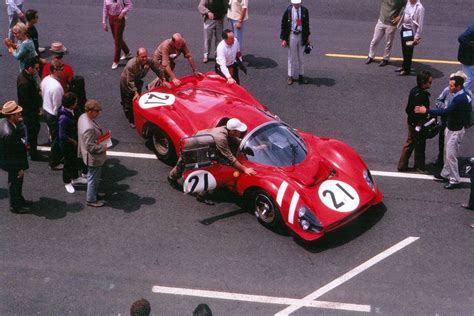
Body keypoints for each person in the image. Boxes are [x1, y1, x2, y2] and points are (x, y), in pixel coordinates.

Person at [168, 118, 256, 204]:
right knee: (201, 168)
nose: (241, 132)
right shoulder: (221, 138)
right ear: (232, 131)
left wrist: (254, 147)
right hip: (193, 147)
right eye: (239, 131)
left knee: (208, 168)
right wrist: (245, 169)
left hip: (204, 146)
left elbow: (236, 141)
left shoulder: (226, 130)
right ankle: (172, 178)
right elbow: (230, 157)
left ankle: (202, 193)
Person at [415, 75, 472, 189]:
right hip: (451, 128)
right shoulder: (461, 95)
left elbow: (445, 112)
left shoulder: (459, 99)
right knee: (447, 152)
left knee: (451, 155)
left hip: (455, 130)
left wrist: (426, 110)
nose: (449, 87)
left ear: (458, 86)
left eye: (451, 86)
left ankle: (455, 179)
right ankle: (445, 173)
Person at [120, 47, 167, 128]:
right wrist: (135, 92)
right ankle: (130, 119)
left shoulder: (149, 61)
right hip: (126, 81)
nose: (144, 59)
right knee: (128, 101)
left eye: (145, 56)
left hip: (137, 79)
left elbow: (157, 69)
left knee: (137, 98)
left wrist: (163, 79)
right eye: (142, 57)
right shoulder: (131, 65)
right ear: (137, 56)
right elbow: (130, 81)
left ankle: (134, 110)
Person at [397, 70, 432, 172]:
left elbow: (408, 109)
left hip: (411, 121)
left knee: (410, 142)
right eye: (429, 82)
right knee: (419, 144)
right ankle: (418, 166)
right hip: (417, 123)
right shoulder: (422, 96)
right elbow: (419, 112)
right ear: (423, 82)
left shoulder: (414, 91)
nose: (430, 84)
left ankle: (403, 165)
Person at [0, 101, 30, 214]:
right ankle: (15, 206)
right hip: (13, 163)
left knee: (17, 182)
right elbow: (13, 154)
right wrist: (19, 169)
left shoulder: (3, 122)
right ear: (11, 116)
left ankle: (19, 200)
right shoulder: (10, 134)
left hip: (9, 160)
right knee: (15, 183)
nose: (20, 115)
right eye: (17, 113)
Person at [77, 100, 107, 207]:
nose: (98, 113)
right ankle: (91, 199)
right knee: (93, 178)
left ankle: (93, 194)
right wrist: (102, 147)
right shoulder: (89, 128)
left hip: (87, 154)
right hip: (93, 157)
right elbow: (90, 146)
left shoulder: (83, 117)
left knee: (93, 177)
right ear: (90, 111)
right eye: (96, 111)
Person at [433, 71, 467, 166]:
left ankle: (448, 166)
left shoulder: (465, 95)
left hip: (454, 125)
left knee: (451, 147)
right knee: (442, 142)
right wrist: (444, 108)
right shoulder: (447, 90)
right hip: (445, 121)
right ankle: (441, 160)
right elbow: (438, 100)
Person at [17, 57, 46, 161]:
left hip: (29, 111)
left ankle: (32, 148)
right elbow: (27, 101)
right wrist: (37, 108)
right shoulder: (25, 83)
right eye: (36, 68)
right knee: (33, 131)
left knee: (32, 131)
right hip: (30, 112)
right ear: (29, 68)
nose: (37, 70)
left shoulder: (24, 76)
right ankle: (33, 153)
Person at [58, 92, 87, 194]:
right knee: (68, 163)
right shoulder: (63, 118)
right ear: (71, 104)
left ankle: (75, 177)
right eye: (75, 102)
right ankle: (67, 182)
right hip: (67, 146)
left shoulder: (73, 111)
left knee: (74, 161)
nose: (77, 103)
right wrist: (73, 141)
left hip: (75, 142)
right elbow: (62, 136)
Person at [366, 0, 407, 67]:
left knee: (388, 43)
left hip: (391, 24)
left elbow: (408, 7)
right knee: (375, 40)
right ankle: (371, 56)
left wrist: (400, 17)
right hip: (381, 21)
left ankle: (386, 58)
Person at [41, 59, 65, 170]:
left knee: (53, 135)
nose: (63, 71)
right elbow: (58, 105)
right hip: (53, 114)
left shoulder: (46, 79)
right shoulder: (57, 87)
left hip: (46, 110)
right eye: (61, 69)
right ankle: (54, 162)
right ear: (55, 70)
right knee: (56, 139)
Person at [280, 0, 310, 85]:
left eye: (298, 3)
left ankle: (301, 76)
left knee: (301, 57)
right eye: (295, 4)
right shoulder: (288, 11)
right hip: (292, 35)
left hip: (301, 35)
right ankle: (290, 76)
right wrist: (284, 39)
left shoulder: (304, 10)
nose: (296, 5)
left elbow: (307, 24)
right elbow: (284, 24)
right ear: (292, 3)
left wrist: (307, 36)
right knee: (291, 57)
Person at [102, 0, 133, 70]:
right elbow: (105, 10)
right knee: (117, 38)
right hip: (111, 18)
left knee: (117, 41)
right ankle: (127, 52)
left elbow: (129, 5)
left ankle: (116, 60)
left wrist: (123, 12)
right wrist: (104, 22)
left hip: (119, 19)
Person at [396, 0, 424, 76]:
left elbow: (420, 24)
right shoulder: (408, 2)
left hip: (410, 31)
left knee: (408, 51)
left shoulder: (420, 8)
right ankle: (404, 66)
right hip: (404, 29)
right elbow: (405, 12)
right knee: (404, 48)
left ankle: (407, 69)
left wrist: (416, 37)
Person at [457, 24, 474, 93]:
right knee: (468, 79)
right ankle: (460, 93)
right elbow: (461, 38)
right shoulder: (472, 30)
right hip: (468, 57)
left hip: (470, 57)